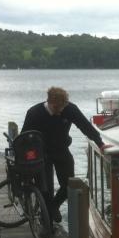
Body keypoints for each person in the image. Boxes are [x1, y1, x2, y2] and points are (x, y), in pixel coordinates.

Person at [22, 87, 104, 225]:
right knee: (45, 189)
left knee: (68, 184)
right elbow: (24, 137)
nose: (61, 111)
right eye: (57, 107)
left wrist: (100, 143)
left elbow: (85, 126)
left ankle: (53, 207)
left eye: (63, 107)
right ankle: (47, 224)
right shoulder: (34, 113)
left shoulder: (69, 109)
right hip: (42, 154)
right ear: (50, 102)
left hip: (61, 149)